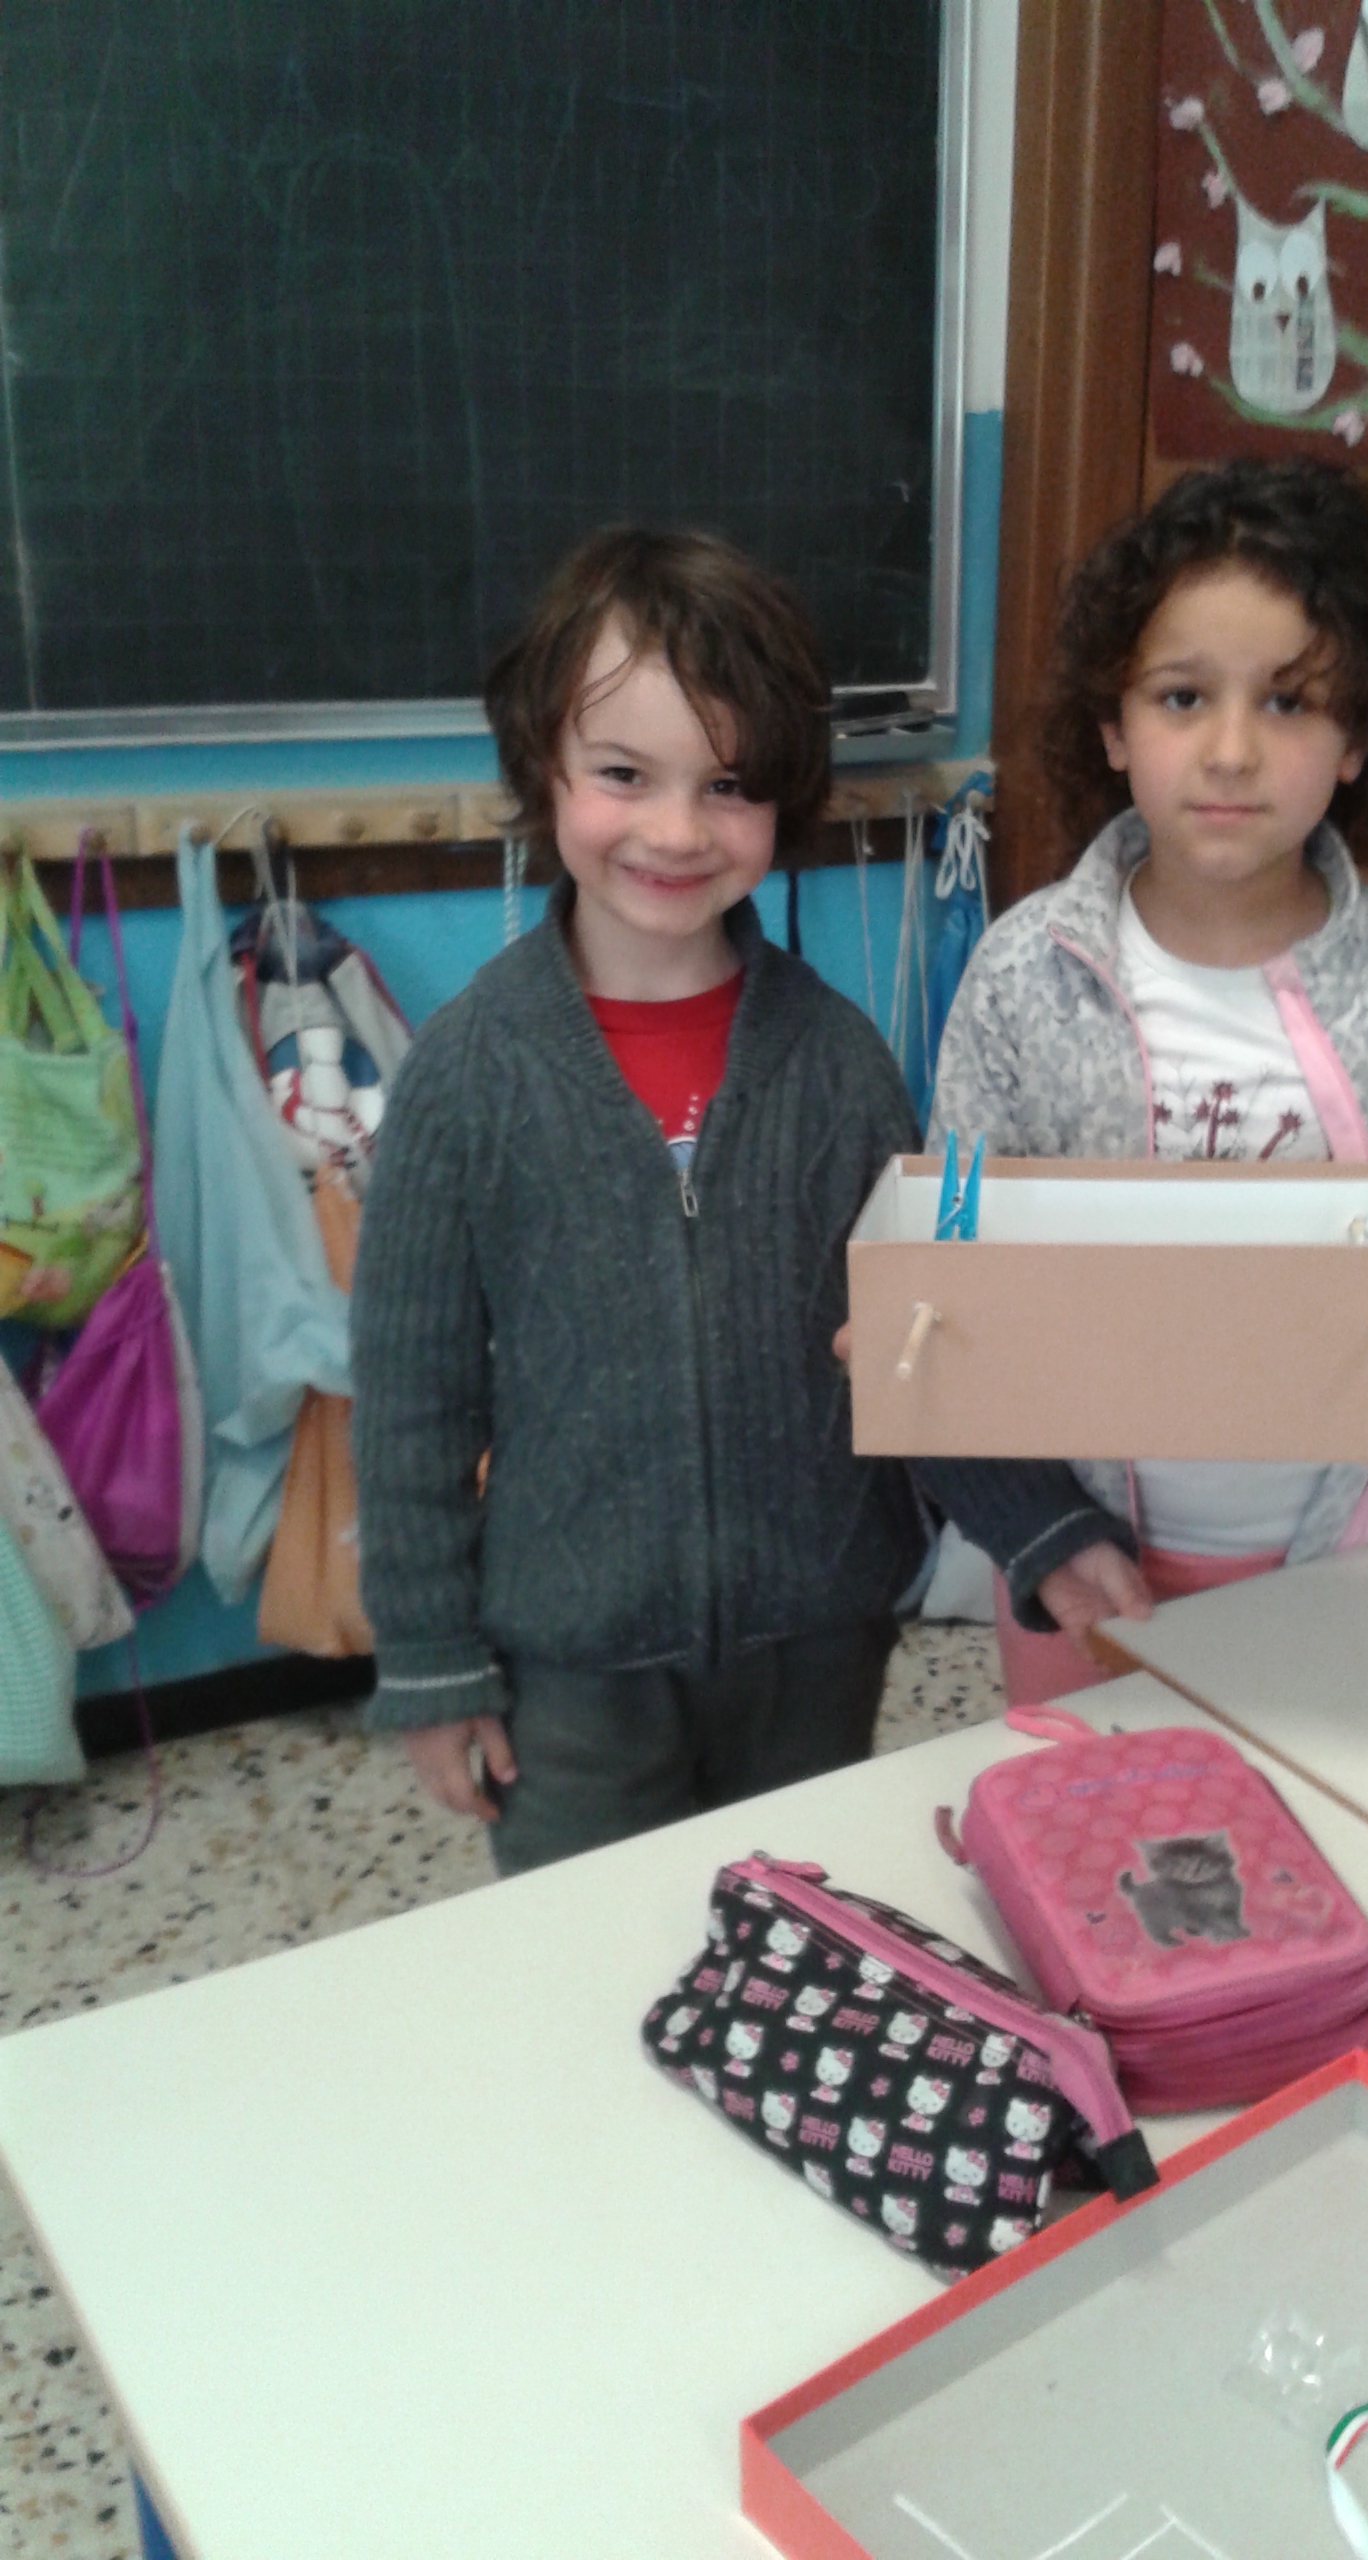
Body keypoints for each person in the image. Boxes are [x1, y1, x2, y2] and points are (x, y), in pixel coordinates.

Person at [913, 457, 1368, 1705]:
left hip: (1346, 1563)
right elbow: (952, 1243)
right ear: (1114, 726)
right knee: (1090, 1817)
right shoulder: (1023, 976)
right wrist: (1015, 1485)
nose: (1230, 751)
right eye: (1182, 697)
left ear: (1358, 737)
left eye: (1288, 702)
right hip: (1079, 1561)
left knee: (1305, 1813)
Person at [351, 528, 926, 1873]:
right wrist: (430, 1661)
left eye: (726, 784)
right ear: (543, 767)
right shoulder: (469, 1074)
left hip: (816, 1644)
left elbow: (929, 1346)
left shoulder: (840, 1064)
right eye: (624, 773)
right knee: (590, 1966)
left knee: (802, 1935)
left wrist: (1041, 1532)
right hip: (572, 1667)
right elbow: (413, 1397)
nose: (675, 830)